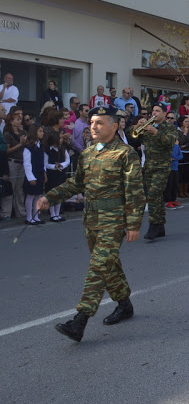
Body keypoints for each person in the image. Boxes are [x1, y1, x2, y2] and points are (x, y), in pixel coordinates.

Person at [37, 105, 145, 342]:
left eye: (99, 122)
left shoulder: (126, 154)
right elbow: (76, 184)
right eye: (92, 122)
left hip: (114, 221)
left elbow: (135, 191)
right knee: (109, 265)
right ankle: (125, 305)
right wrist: (49, 196)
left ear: (114, 126)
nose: (93, 126)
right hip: (92, 220)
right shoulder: (88, 153)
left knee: (98, 266)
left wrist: (134, 223)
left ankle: (80, 320)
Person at [132, 103, 177, 240]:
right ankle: (160, 226)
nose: (154, 113)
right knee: (155, 196)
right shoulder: (147, 126)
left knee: (153, 194)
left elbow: (170, 142)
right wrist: (137, 125)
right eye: (153, 111)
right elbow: (131, 134)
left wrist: (155, 132)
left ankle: (153, 225)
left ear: (164, 113)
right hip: (149, 166)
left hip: (162, 166)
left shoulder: (170, 127)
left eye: (157, 111)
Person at [23, 124, 46, 226]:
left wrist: (44, 173)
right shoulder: (28, 147)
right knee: (30, 196)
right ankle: (29, 217)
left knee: (38, 195)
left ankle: (36, 216)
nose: (42, 133)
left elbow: (43, 161)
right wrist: (30, 177)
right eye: (40, 131)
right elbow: (27, 163)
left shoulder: (40, 145)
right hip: (32, 174)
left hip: (40, 173)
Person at [4, 111, 27, 217]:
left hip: (22, 162)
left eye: (20, 119)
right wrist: (20, 144)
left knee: (20, 188)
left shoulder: (23, 132)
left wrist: (23, 135)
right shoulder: (7, 134)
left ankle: (20, 211)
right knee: (11, 187)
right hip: (12, 162)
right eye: (17, 120)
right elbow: (7, 150)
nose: (19, 121)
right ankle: (7, 212)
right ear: (11, 122)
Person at [44, 131, 70, 222]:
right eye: (60, 138)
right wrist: (54, 166)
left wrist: (61, 165)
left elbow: (67, 160)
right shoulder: (48, 150)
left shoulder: (63, 148)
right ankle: (52, 214)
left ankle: (57, 213)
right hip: (51, 174)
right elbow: (46, 163)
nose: (61, 140)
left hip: (61, 174)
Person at [176, 115, 189, 198]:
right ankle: (180, 191)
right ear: (181, 122)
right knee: (181, 173)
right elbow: (180, 142)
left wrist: (185, 145)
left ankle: (186, 190)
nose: (188, 123)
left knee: (188, 172)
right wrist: (184, 134)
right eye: (186, 121)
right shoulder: (178, 131)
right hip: (182, 153)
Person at [164, 139, 183, 210]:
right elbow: (170, 155)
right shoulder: (167, 146)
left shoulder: (176, 146)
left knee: (175, 184)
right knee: (169, 185)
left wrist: (174, 158)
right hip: (168, 168)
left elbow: (181, 155)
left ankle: (173, 200)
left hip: (175, 168)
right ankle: (168, 201)